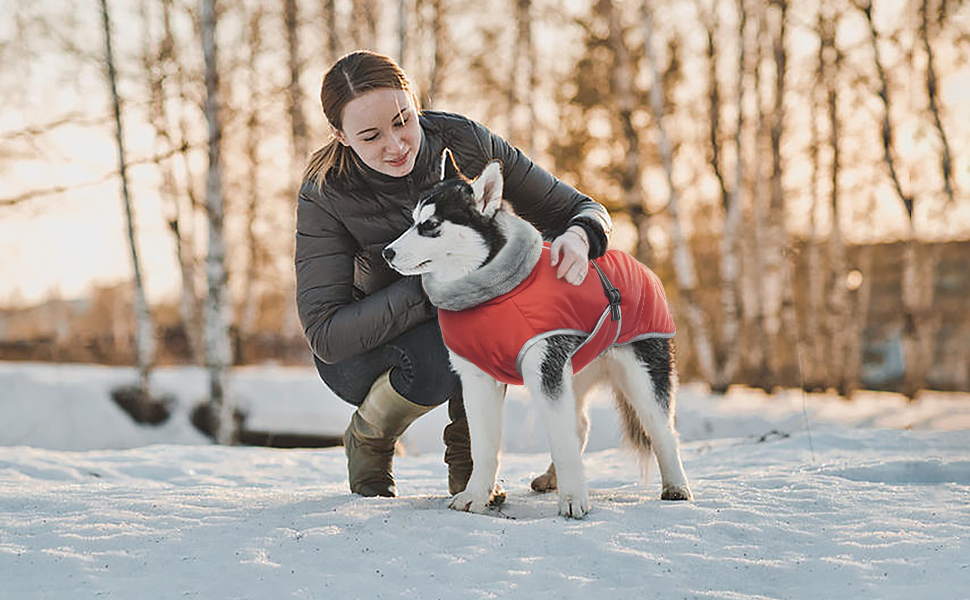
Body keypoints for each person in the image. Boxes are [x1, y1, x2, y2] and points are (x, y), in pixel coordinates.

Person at [295, 50, 612, 498]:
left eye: (404, 120)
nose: (397, 144)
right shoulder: (325, 192)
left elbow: (581, 207)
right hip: (364, 349)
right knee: (455, 330)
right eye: (370, 136)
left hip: (460, 325)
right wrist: (438, 282)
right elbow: (326, 334)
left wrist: (581, 236)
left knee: (479, 317)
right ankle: (370, 434)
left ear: (415, 101)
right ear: (340, 136)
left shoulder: (465, 142)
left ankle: (471, 463)